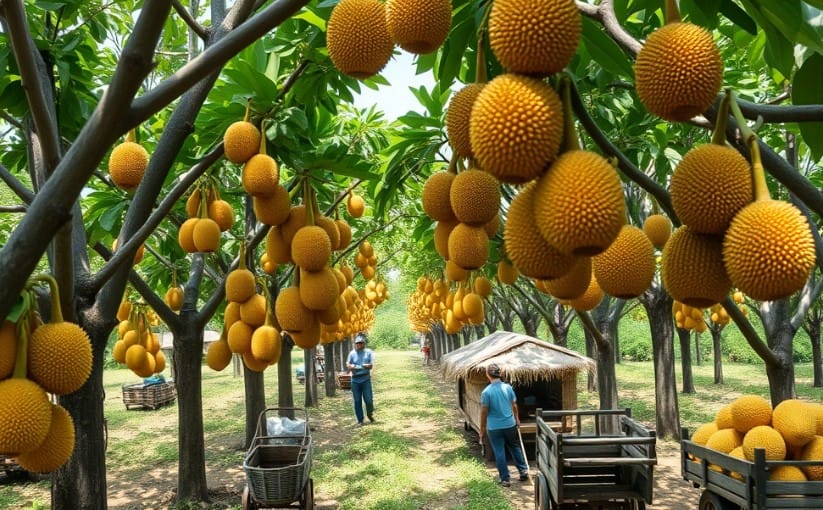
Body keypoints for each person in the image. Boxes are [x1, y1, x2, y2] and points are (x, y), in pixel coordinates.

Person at [479, 363, 529, 487]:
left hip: (494, 428)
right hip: (509, 424)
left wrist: (482, 429)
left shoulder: (486, 392)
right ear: (499, 374)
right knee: (515, 447)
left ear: (488, 375)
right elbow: (514, 405)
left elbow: (484, 412)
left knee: (499, 451)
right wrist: (517, 419)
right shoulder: (508, 388)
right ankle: (523, 471)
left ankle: (505, 479)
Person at [346, 332, 375, 427]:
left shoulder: (368, 352)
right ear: (355, 344)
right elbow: (348, 364)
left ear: (364, 343)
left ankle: (370, 414)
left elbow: (371, 365)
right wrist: (351, 366)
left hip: (365, 379)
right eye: (357, 343)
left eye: (361, 343)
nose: (359, 345)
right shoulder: (352, 353)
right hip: (355, 380)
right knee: (357, 401)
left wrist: (365, 366)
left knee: (369, 400)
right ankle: (360, 420)